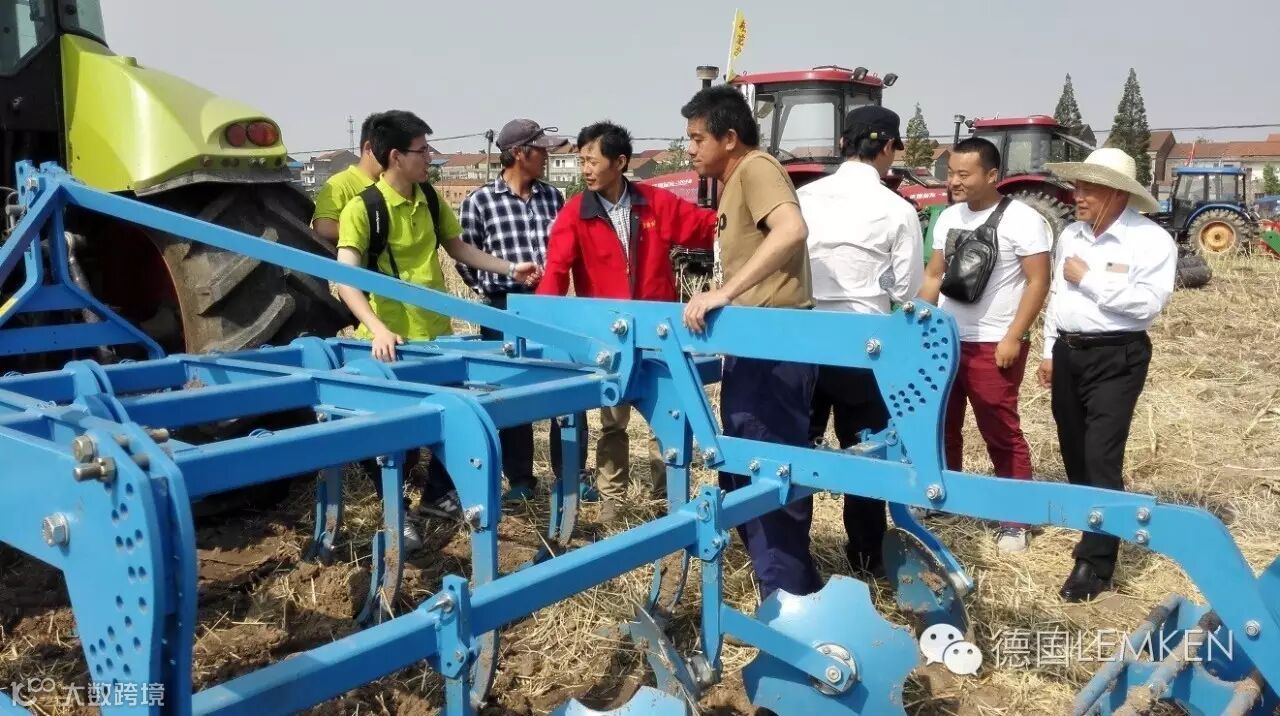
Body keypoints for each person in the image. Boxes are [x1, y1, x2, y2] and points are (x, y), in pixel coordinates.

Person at [334, 110, 541, 545]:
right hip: (390, 344)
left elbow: (458, 248)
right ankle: (396, 512)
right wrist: (377, 329)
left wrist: (510, 268)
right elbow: (345, 281)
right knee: (395, 440)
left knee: (456, 416)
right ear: (396, 156)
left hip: (437, 336)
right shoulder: (363, 209)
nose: (430, 157)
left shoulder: (428, 197)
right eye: (422, 150)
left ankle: (435, 497)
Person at [679, 85, 820, 601]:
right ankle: (786, 584)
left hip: (773, 345)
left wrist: (724, 292)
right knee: (744, 464)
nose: (690, 149)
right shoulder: (733, 180)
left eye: (697, 138)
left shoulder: (757, 168)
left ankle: (787, 598)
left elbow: (791, 230)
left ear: (730, 137)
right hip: (756, 342)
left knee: (766, 468)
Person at [538, 121, 717, 521]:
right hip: (609, 337)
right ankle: (611, 498)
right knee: (612, 419)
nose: (585, 169)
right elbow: (556, 272)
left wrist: (742, 221)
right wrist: (543, 323)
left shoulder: (655, 204)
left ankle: (665, 498)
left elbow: (704, 228)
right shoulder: (575, 213)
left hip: (659, 333)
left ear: (619, 163)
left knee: (666, 418)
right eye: (581, 161)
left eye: (592, 161)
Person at [1037, 147, 1175, 602]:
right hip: (1068, 352)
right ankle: (1094, 523)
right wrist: (1049, 350)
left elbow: (1147, 306)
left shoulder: (1151, 241)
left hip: (1118, 356)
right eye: (1078, 186)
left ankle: (1094, 565)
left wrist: (1091, 278)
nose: (1078, 196)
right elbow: (1058, 295)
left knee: (1100, 455)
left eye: (1089, 189)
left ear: (1117, 193)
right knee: (1075, 452)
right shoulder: (1071, 234)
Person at [798, 105, 923, 578]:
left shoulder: (803, 197)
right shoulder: (897, 209)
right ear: (887, 147)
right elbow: (906, 290)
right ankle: (867, 557)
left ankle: (793, 554)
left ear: (843, 143)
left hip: (804, 344)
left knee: (798, 451)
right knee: (868, 456)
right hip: (865, 351)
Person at [919, 137, 1052, 553]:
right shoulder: (948, 217)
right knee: (943, 425)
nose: (954, 181)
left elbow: (1038, 281)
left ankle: (1016, 517)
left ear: (992, 175)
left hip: (993, 342)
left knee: (999, 428)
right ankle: (945, 499)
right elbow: (933, 275)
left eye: (964, 174)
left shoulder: (1024, 220)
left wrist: (1014, 335)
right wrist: (918, 323)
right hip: (945, 339)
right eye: (950, 173)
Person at [457, 118, 575, 503]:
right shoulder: (479, 202)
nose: (546, 156)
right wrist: (492, 287)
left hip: (548, 305)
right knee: (510, 392)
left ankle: (570, 474)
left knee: (566, 389)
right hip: (502, 308)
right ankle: (521, 479)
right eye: (541, 149)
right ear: (520, 153)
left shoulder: (553, 197)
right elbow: (465, 257)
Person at [311, 111, 385, 247]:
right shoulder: (340, 185)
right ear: (369, 148)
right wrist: (375, 229)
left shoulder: (397, 185)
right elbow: (323, 228)